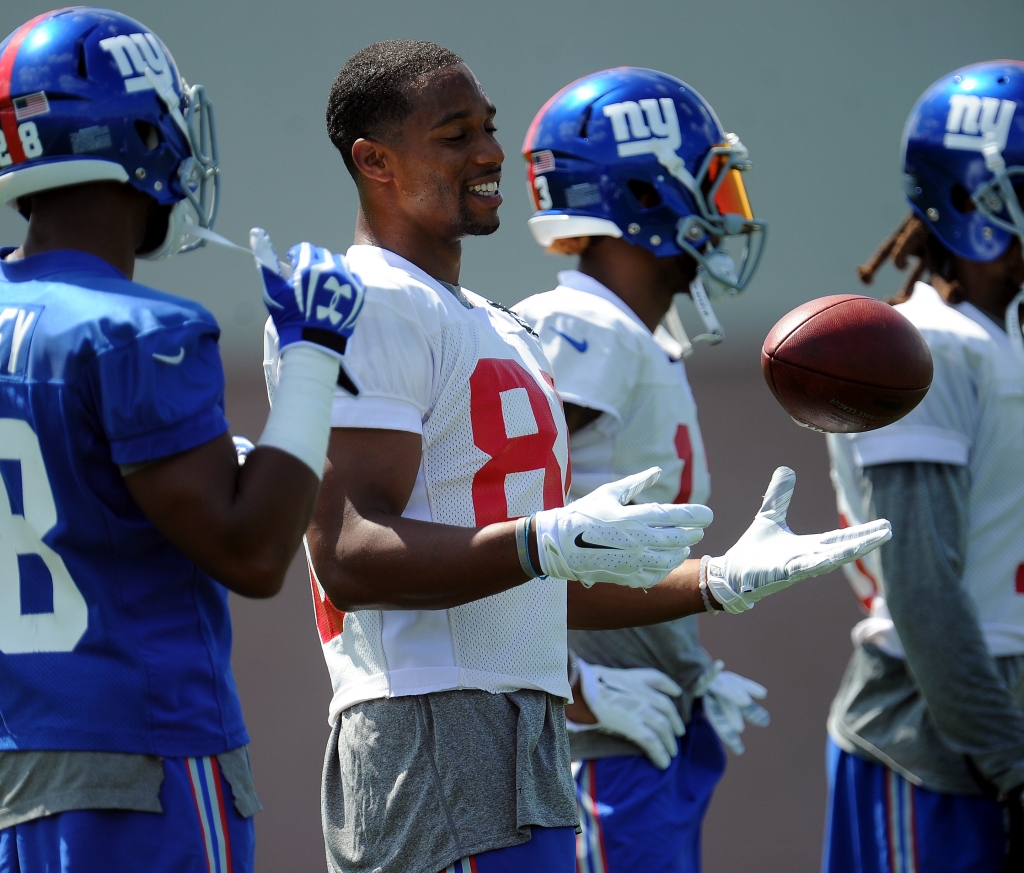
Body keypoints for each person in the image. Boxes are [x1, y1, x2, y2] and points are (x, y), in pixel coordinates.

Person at [279, 40, 891, 873]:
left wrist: (711, 582)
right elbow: (350, 555)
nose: (490, 152)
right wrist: (545, 549)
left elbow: (540, 578)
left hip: (517, 726)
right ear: (375, 161)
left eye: (488, 128)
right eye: (456, 134)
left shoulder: (495, 322)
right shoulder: (375, 297)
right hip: (430, 722)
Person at [0, 8, 365, 873]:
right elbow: (252, 550)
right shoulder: (139, 328)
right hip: (141, 753)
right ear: (141, 136)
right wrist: (314, 356)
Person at [514, 67, 775, 873]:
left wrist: (687, 666)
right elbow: (491, 527)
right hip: (597, 737)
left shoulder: (634, 334)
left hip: (649, 716)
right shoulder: (579, 323)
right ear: (647, 192)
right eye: (711, 188)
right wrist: (572, 683)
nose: (725, 214)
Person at [823, 60, 1024, 873]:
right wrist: (1011, 760)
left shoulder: (1002, 339)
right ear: (975, 196)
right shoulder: (927, 345)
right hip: (931, 743)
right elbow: (925, 589)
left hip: (989, 733)